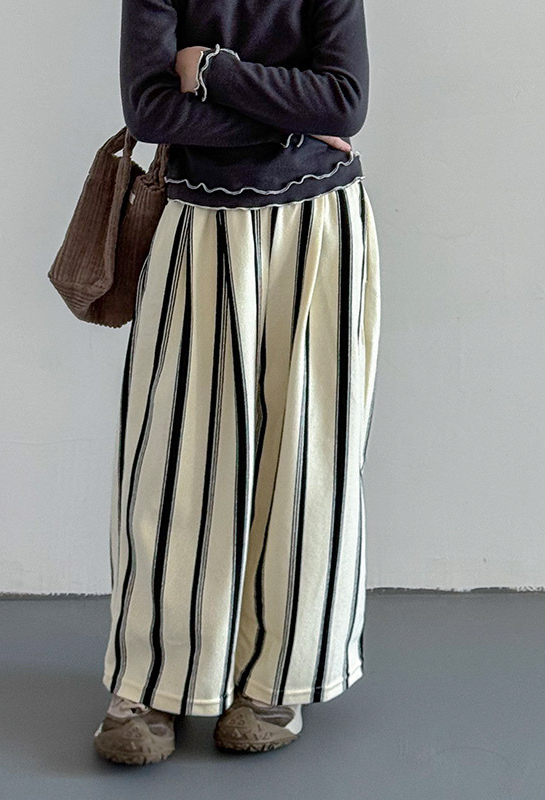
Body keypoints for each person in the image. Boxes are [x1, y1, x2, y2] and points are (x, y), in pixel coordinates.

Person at [93, 0, 381, 765]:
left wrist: (213, 71)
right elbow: (151, 112)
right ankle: (153, 681)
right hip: (198, 226)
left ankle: (278, 674)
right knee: (173, 461)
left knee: (307, 456)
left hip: (320, 225)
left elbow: (346, 102)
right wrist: (293, 123)